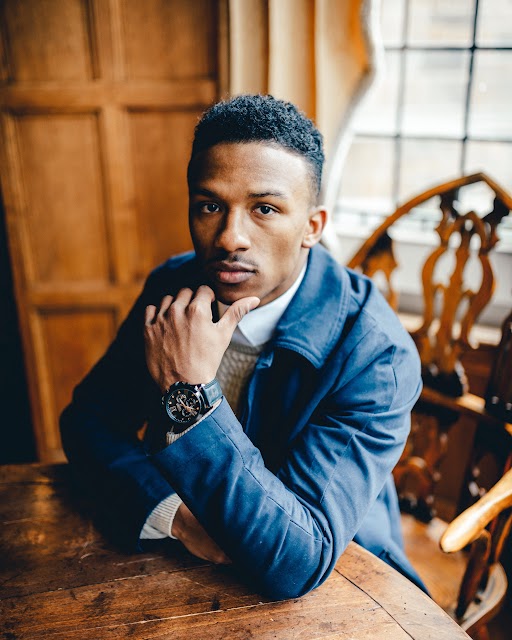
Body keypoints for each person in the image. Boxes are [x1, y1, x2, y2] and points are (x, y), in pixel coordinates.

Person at [60, 94, 425, 599]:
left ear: (312, 227)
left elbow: (298, 560)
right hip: (180, 563)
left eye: (265, 209)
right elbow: (86, 423)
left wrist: (189, 393)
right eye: (210, 206)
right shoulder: (173, 288)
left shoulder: (374, 354)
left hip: (346, 581)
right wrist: (177, 517)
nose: (230, 237)